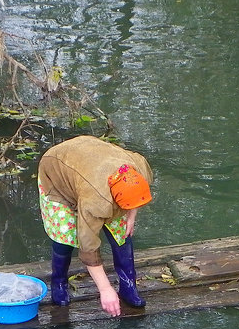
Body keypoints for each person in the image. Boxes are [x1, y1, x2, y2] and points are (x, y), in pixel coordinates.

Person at [37, 135, 153, 317]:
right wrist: (105, 289)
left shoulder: (139, 168)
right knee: (65, 236)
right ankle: (59, 283)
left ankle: (128, 286)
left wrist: (131, 216)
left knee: (121, 232)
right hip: (57, 171)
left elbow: (137, 194)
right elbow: (88, 246)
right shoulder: (96, 201)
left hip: (90, 160)